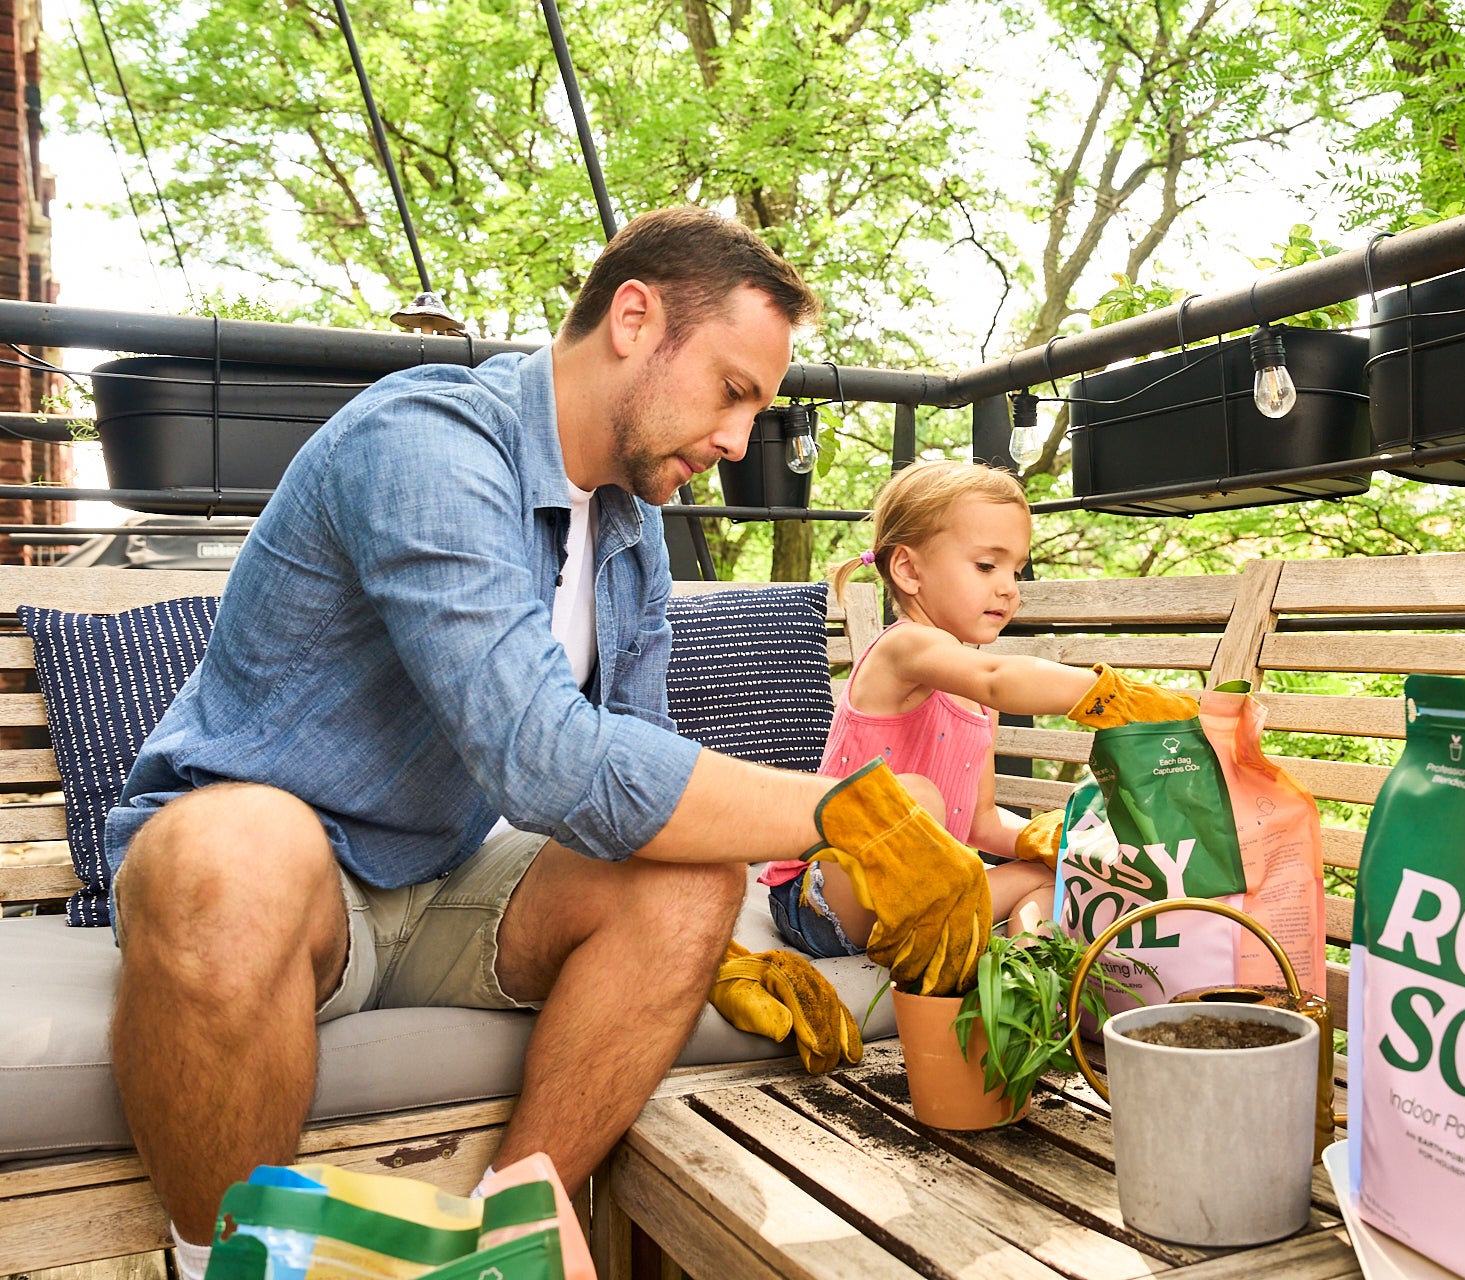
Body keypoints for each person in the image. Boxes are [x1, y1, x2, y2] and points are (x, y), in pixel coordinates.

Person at [103, 208, 992, 1268]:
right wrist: (855, 808)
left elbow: (646, 785)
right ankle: (225, 1261)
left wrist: (737, 942)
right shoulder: (425, 442)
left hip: (434, 881)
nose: (740, 440)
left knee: (691, 884)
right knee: (231, 850)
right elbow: (546, 755)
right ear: (633, 318)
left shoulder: (628, 529)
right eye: (733, 390)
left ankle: (503, 1234)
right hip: (274, 893)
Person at [760, 460, 1201, 960]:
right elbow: (997, 678)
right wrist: (1115, 696)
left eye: (1016, 569)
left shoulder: (973, 703)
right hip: (822, 900)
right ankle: (938, 939)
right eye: (987, 566)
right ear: (908, 569)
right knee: (915, 796)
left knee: (1051, 880)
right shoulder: (903, 650)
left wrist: (1054, 842)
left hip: (924, 902)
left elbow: (981, 824)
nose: (1009, 587)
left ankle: (1022, 993)